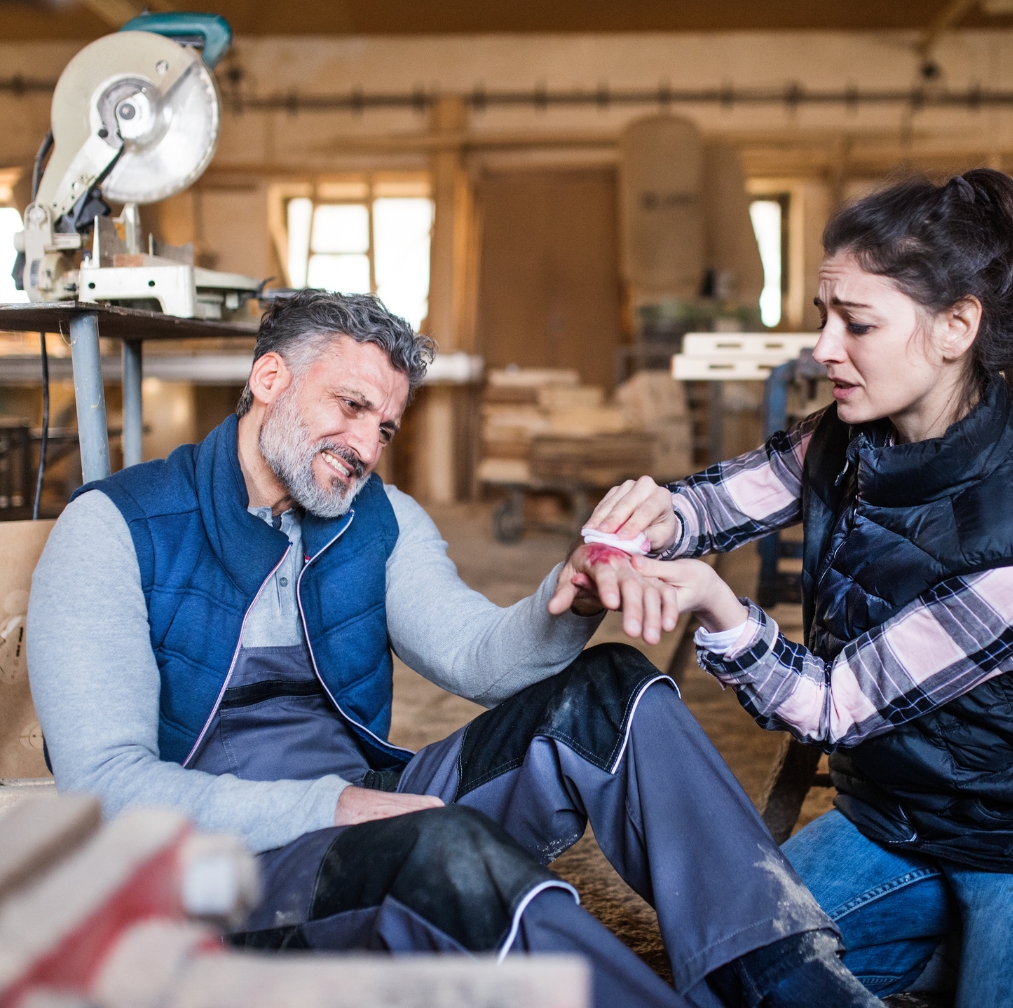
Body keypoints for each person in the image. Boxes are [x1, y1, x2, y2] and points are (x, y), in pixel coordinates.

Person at [27, 290, 880, 1008]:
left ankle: (786, 982)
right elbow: (106, 791)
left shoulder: (379, 519)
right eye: (349, 407)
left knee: (609, 692)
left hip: (357, 812)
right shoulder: (114, 529)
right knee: (444, 853)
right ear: (268, 378)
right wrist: (331, 809)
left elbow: (479, 659)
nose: (365, 446)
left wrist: (566, 595)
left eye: (386, 427)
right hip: (222, 874)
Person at [563, 169, 1013, 1008]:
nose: (822, 349)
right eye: (822, 317)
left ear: (957, 326)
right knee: (731, 973)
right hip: (893, 816)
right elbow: (712, 505)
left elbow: (834, 704)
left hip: (1007, 842)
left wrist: (718, 607)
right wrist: (637, 524)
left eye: (858, 323)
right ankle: (931, 951)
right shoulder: (842, 440)